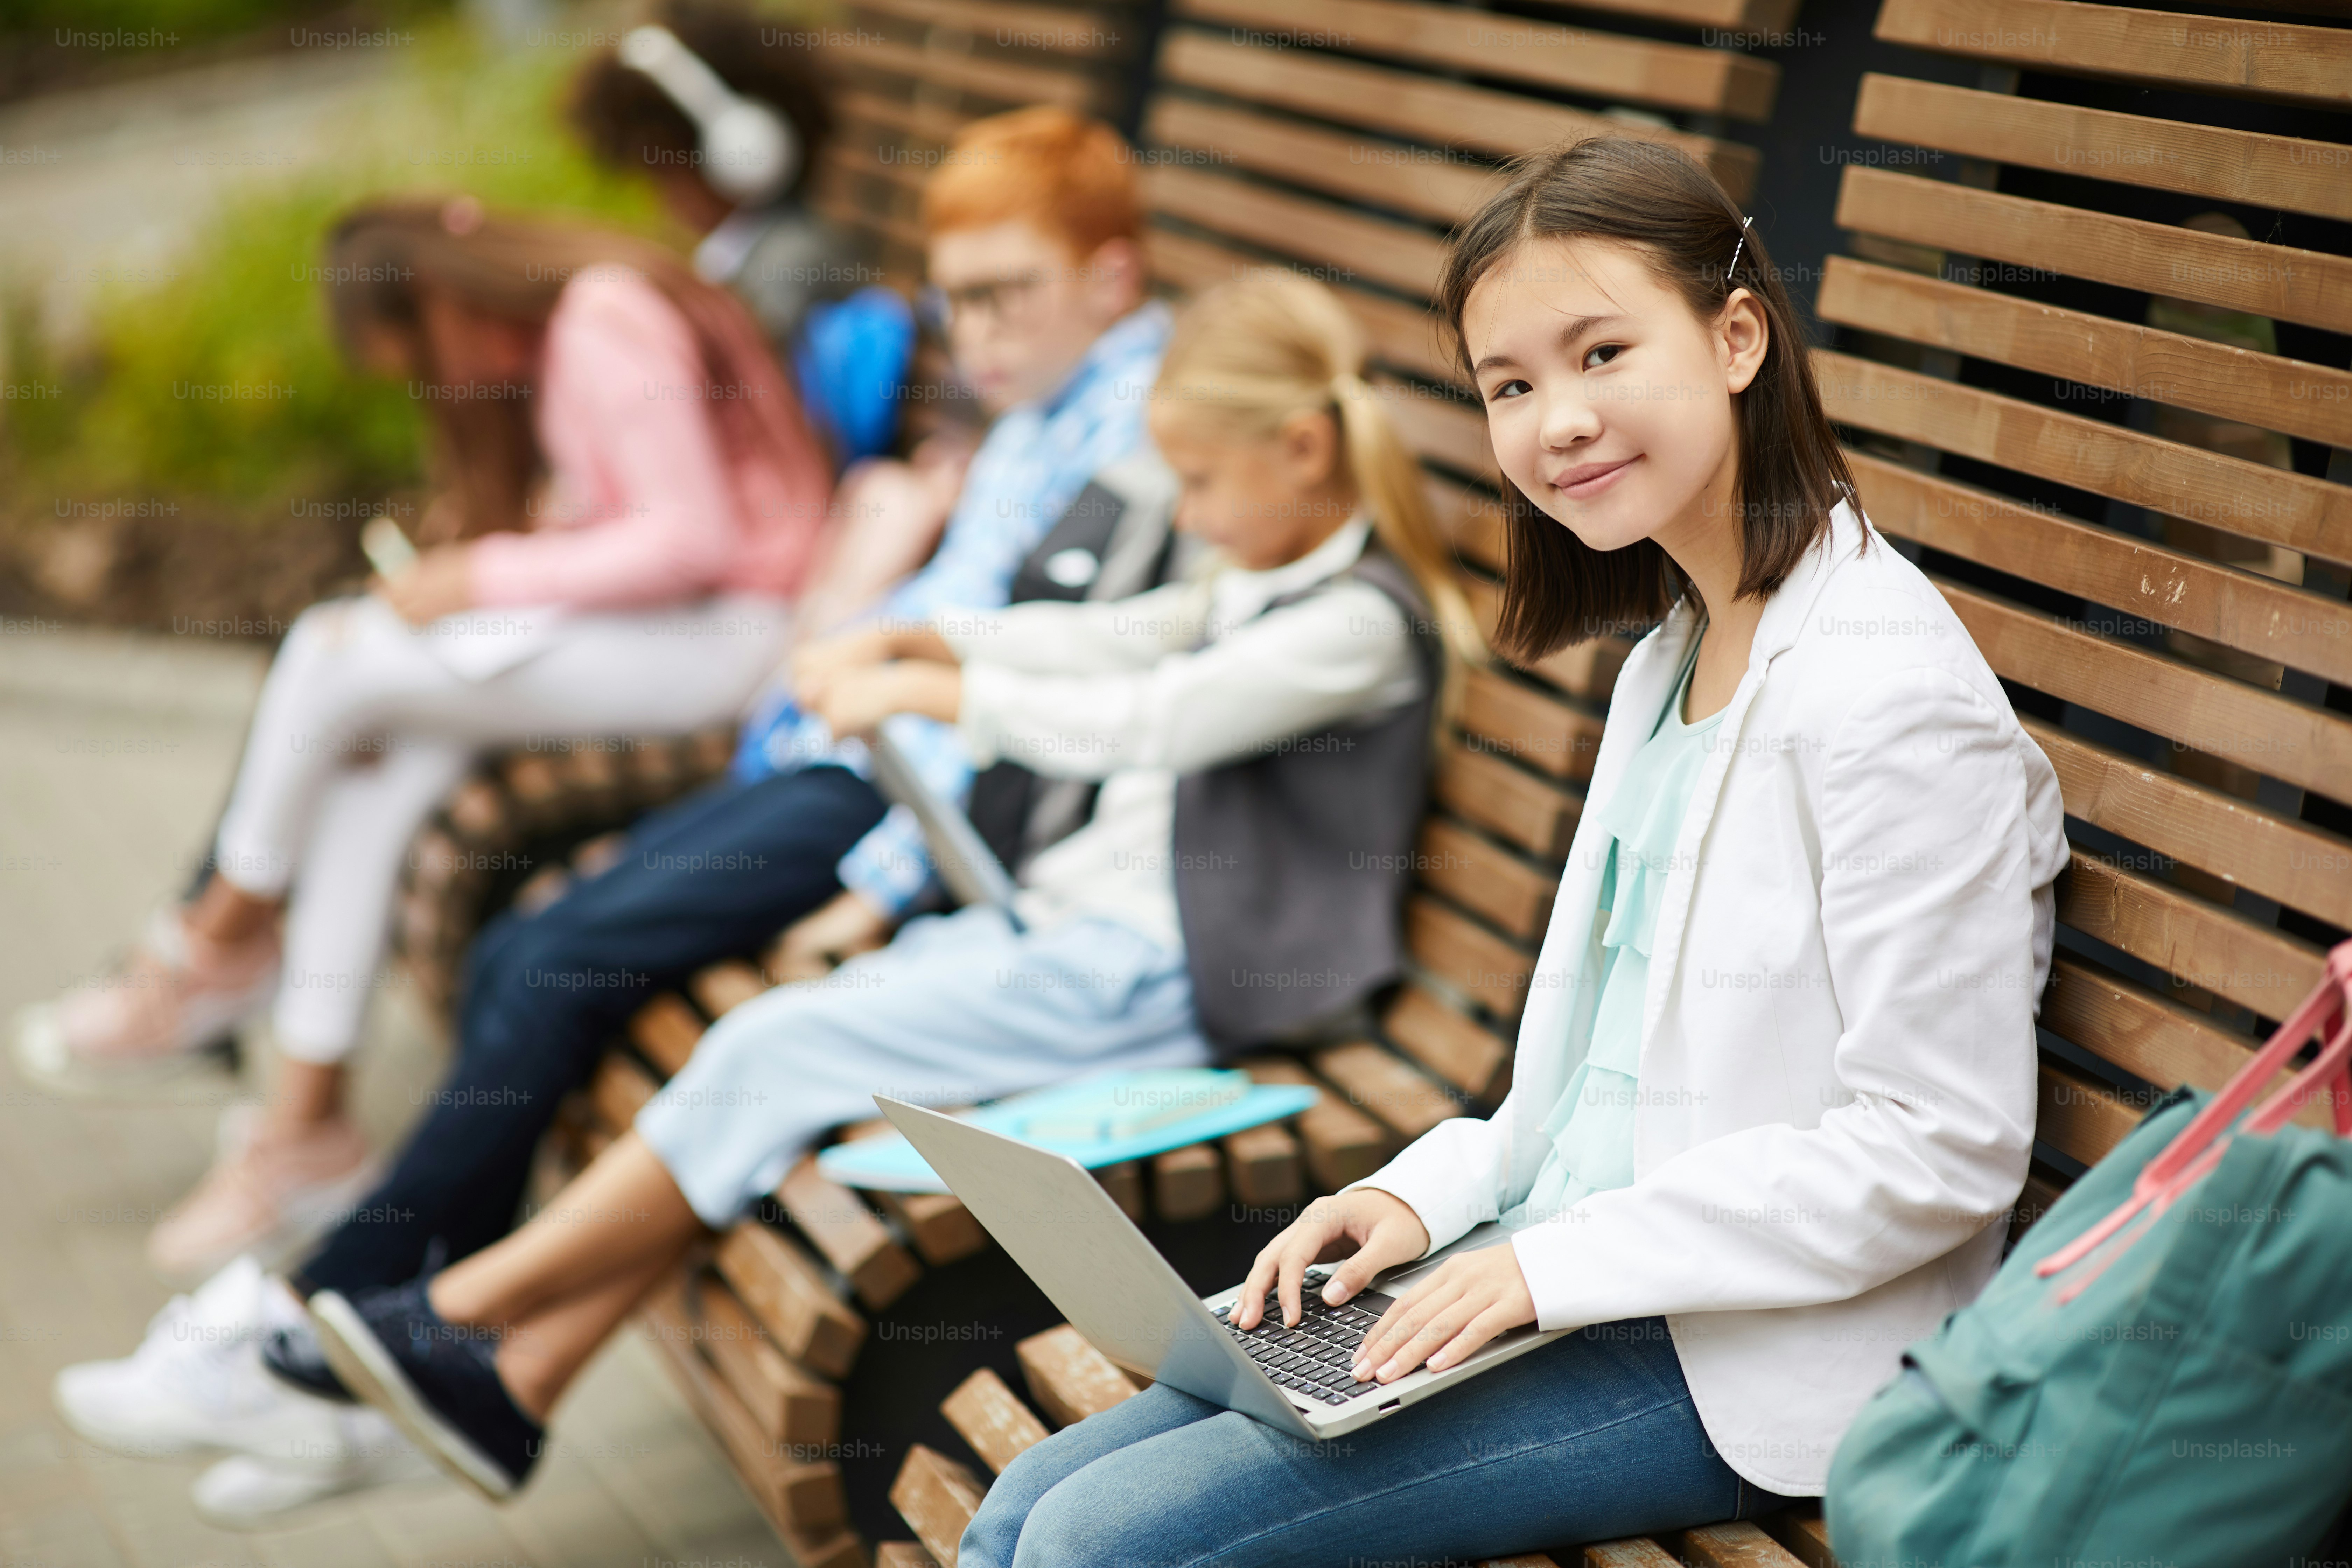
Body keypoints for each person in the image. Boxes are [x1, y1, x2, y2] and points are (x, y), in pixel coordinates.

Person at [956, 136, 2070, 1568]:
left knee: (1097, 1546)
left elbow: (1943, 1144)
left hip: (1728, 1352)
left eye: (1604, 351)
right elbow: (1582, 1102)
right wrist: (1412, 1200)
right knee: (1020, 1513)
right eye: (1512, 385)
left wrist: (1543, 1266)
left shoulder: (1884, 692)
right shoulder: (1665, 660)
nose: (1560, 420)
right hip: (1554, 1280)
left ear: (1736, 339)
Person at [49, 104, 1169, 1523]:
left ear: (1115, 281)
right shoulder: (1039, 415)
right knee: (531, 944)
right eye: (961, 300)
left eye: (1008, 294)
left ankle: (315, 1325)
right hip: (819, 754)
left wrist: (877, 885)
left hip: (883, 803)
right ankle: (362, 1350)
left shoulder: (1143, 422)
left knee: (568, 956)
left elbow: (1044, 705)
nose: (978, 332)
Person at [299, 270, 1486, 1502]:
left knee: (782, 1045)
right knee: (790, 1056)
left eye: (1198, 482)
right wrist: (930, 640)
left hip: (1179, 979)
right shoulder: (1255, 578)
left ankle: (452, 1307)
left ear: (1301, 450)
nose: (1186, 509)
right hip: (1078, 936)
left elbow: (1151, 715)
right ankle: (515, 1378)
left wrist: (938, 695)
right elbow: (1114, 636)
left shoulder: (1355, 626)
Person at [16, 197, 834, 1283]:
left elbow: (696, 538)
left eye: (417, 356)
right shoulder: (578, 325)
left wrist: (480, 579)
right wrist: (514, 551)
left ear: (442, 297)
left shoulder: (606, 314)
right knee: (377, 764)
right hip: (682, 633)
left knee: (334, 652)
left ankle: (212, 946)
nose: (436, 383)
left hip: (733, 641)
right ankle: (305, 1127)